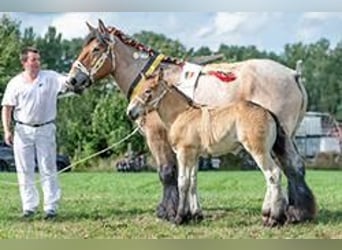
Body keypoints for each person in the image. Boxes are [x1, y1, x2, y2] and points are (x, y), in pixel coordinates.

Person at [1, 46, 68, 220]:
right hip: (22, 130)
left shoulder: (51, 77)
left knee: (48, 167)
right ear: (24, 62)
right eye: (33, 60)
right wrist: (7, 130)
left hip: (46, 128)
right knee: (24, 169)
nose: (37, 63)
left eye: (38, 59)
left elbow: (68, 82)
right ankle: (29, 207)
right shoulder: (15, 83)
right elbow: (7, 108)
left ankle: (51, 207)